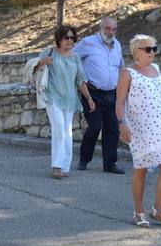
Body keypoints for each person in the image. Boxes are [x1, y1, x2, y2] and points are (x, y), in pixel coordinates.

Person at [115, 35, 161, 227]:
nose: (152, 52)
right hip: (139, 127)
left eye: (154, 48)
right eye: (148, 49)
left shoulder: (156, 69)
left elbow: (159, 93)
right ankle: (138, 212)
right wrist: (122, 123)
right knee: (142, 169)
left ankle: (158, 209)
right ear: (136, 51)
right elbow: (120, 102)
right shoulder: (127, 73)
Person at [33, 25, 95, 179]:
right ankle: (57, 166)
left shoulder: (75, 58)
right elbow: (32, 68)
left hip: (70, 99)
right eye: (66, 37)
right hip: (52, 97)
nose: (69, 40)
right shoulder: (50, 52)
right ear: (59, 39)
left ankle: (65, 166)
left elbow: (80, 80)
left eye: (72, 37)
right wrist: (42, 62)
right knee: (59, 129)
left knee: (67, 133)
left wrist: (89, 98)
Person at [74, 17, 125, 174]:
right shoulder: (88, 43)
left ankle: (110, 164)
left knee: (113, 129)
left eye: (113, 29)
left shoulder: (117, 45)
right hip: (93, 93)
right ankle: (84, 159)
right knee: (95, 127)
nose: (110, 32)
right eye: (107, 28)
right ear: (100, 28)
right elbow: (72, 58)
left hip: (112, 94)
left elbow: (121, 67)